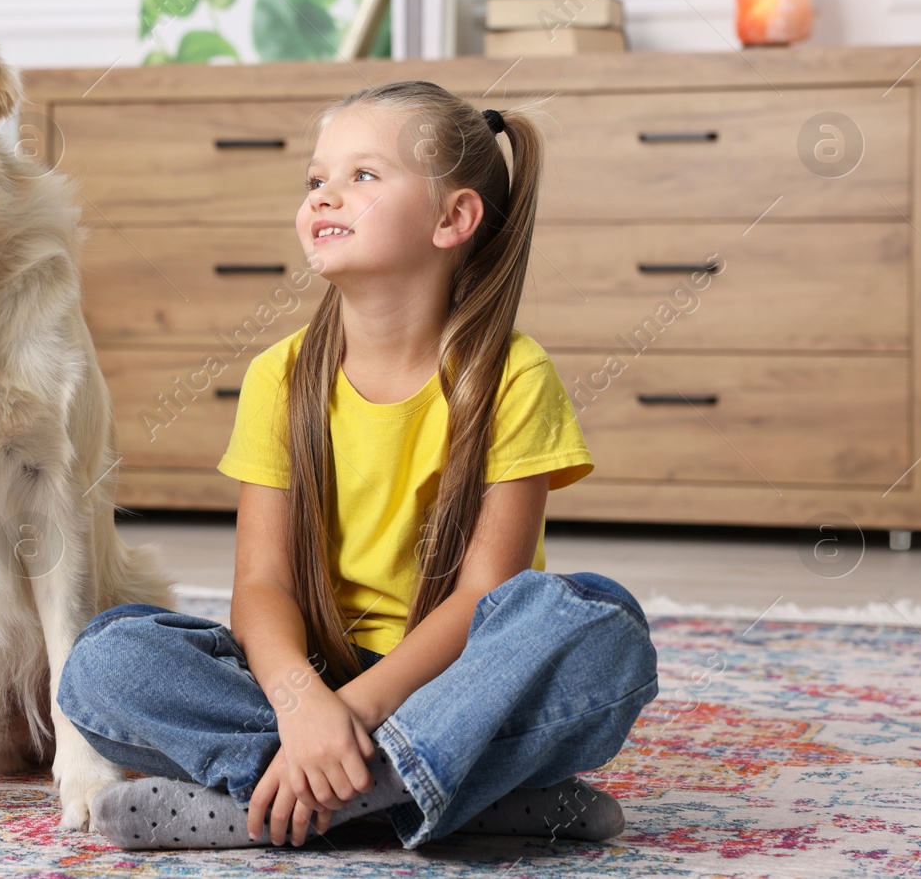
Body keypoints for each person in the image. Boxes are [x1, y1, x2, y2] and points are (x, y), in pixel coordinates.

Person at [57, 80, 659, 851]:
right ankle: (450, 794)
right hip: (304, 682)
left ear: (454, 218)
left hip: (455, 684)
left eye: (362, 176)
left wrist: (357, 711)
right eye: (316, 180)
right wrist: (304, 702)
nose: (324, 195)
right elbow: (263, 584)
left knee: (603, 628)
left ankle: (282, 799)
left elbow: (486, 592)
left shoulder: (513, 374)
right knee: (106, 658)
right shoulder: (280, 376)